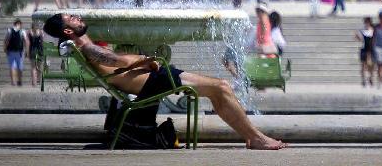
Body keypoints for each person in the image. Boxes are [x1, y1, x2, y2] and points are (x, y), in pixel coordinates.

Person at [42, 13, 286, 150]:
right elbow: (114, 60)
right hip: (153, 81)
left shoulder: (84, 45)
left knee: (219, 88)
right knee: (220, 87)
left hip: (152, 78)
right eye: (71, 18)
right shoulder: (88, 47)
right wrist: (143, 62)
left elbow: (114, 62)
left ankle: (254, 136)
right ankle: (255, 138)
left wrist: (143, 62)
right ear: (67, 31)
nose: (76, 17)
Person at [4, 19, 29, 87]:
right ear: (20, 24)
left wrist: (5, 49)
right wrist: (27, 51)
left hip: (11, 51)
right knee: (20, 67)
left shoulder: (9, 30)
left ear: (14, 24)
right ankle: (19, 81)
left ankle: (13, 82)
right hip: (20, 52)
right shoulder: (22, 31)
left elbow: (6, 40)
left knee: (12, 67)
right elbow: (26, 41)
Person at [355, 17, 375, 87]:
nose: (366, 24)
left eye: (368, 22)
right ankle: (363, 80)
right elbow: (359, 39)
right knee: (363, 66)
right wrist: (357, 36)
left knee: (370, 66)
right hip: (364, 49)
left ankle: (370, 78)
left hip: (371, 50)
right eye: (366, 22)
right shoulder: (362, 31)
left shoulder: (373, 31)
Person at [27, 21, 45, 87]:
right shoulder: (41, 32)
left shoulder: (29, 32)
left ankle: (34, 83)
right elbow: (43, 42)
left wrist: (27, 52)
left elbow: (27, 43)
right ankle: (39, 80)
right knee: (40, 67)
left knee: (33, 67)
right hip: (40, 50)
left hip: (32, 50)